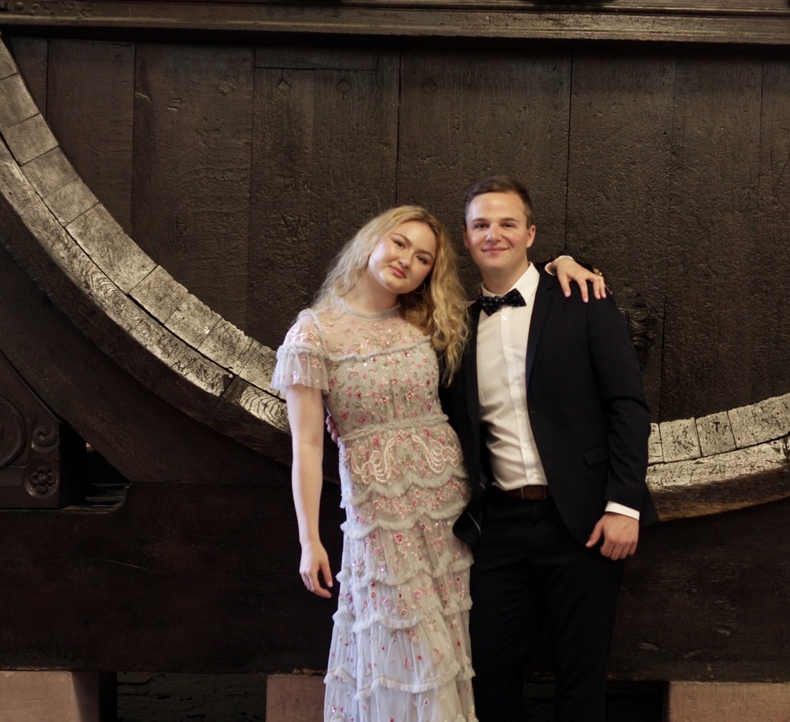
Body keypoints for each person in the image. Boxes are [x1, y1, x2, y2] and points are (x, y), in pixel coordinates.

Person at [272, 205, 601, 722]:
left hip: (452, 516)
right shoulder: (313, 334)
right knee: (406, 650)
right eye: (400, 243)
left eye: (423, 258)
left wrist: (561, 263)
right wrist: (309, 539)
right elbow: (308, 447)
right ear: (372, 241)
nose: (408, 261)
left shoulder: (430, 321)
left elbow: (513, 306)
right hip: (382, 518)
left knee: (460, 653)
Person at [441, 177, 658, 721]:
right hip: (498, 527)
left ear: (530, 233)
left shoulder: (583, 298)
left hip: (585, 522)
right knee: (489, 675)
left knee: (581, 680)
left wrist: (624, 505)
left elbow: (628, 406)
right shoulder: (457, 327)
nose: (494, 234)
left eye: (507, 223)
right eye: (481, 225)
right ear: (466, 238)